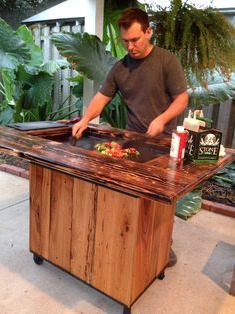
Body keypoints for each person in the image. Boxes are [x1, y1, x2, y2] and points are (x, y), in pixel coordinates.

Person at [72, 8, 189, 266]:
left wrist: (160, 119)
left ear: (148, 32)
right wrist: (84, 119)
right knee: (131, 195)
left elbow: (182, 99)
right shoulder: (120, 68)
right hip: (133, 141)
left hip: (164, 143)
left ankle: (162, 246)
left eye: (135, 39)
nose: (130, 46)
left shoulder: (166, 61)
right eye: (126, 41)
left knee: (160, 198)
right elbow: (102, 98)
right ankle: (130, 243)